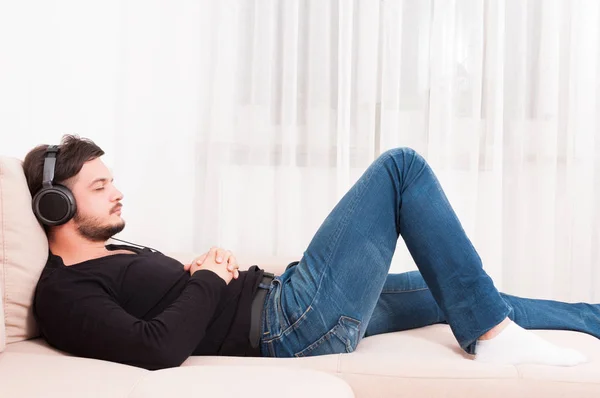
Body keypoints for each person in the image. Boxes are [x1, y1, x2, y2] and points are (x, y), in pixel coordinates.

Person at [22, 135, 598, 371]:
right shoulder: (65, 294)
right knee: (401, 168)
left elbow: (163, 304)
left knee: (456, 293)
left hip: (284, 297)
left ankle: (581, 320)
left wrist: (198, 272)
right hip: (289, 323)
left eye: (111, 179)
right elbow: (157, 348)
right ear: (53, 207)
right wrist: (211, 279)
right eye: (98, 187)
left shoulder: (105, 253)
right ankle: (494, 336)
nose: (118, 191)